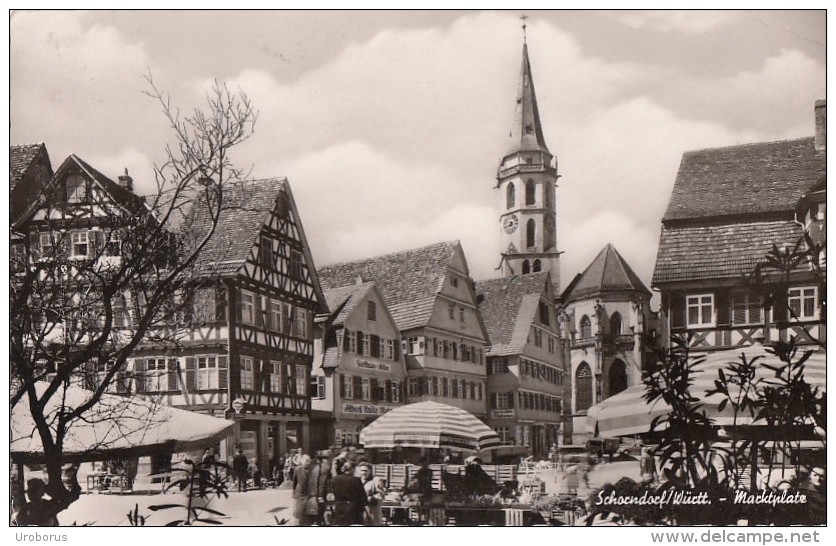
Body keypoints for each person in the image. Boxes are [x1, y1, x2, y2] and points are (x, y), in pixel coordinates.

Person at [329, 460, 368, 526]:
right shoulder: (356, 480)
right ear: (353, 469)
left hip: (339, 508)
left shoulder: (334, 479)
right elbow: (362, 497)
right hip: (353, 509)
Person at [358, 462, 386, 526]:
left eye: (365, 470)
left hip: (372, 510)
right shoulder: (357, 481)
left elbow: (381, 494)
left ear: (370, 471)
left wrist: (372, 497)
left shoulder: (375, 480)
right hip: (361, 510)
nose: (363, 473)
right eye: (361, 470)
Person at [292, 454, 313, 525]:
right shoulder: (298, 469)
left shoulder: (311, 469)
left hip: (308, 494)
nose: (308, 463)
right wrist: (294, 493)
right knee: (298, 513)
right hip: (299, 493)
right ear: (302, 461)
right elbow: (294, 482)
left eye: (309, 461)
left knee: (307, 513)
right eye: (306, 461)